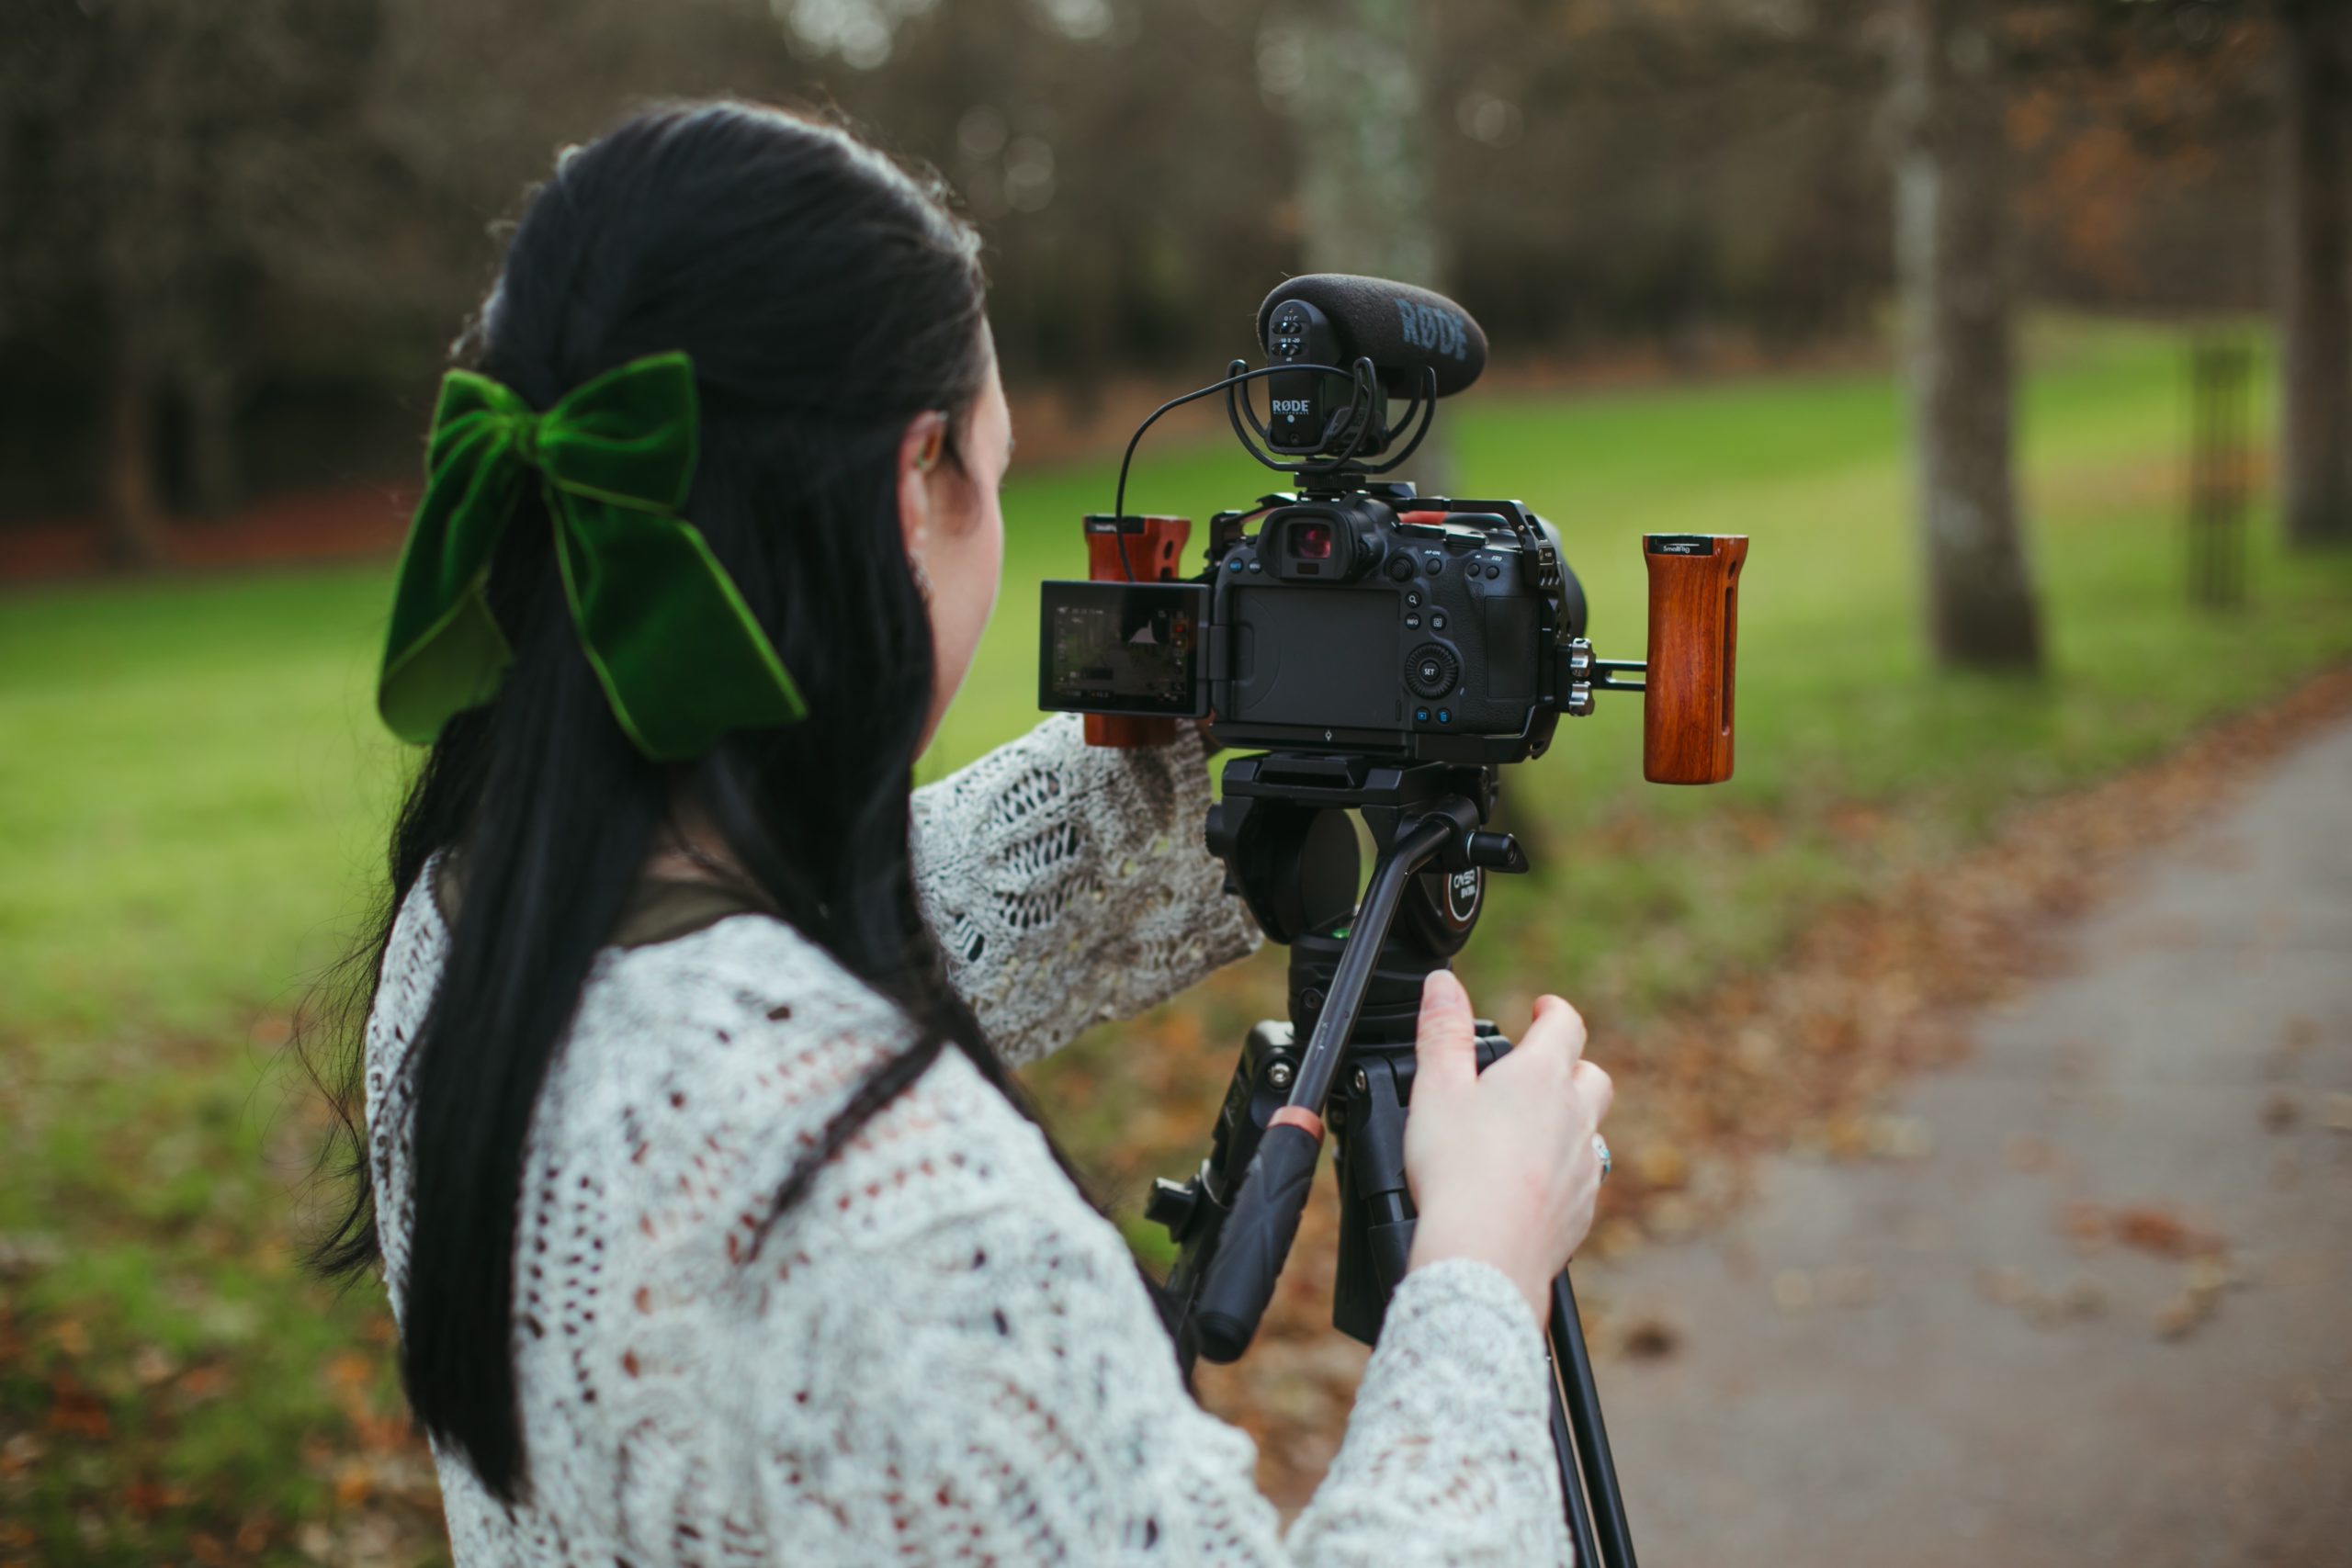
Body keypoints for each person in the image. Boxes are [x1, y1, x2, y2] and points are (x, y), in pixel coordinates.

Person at [312, 99, 1614, 1566]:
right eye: (991, 478)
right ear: (907, 487)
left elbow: (882, 922)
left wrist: (1230, 715)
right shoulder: (911, 1222)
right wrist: (1480, 1276)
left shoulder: (478, 922)